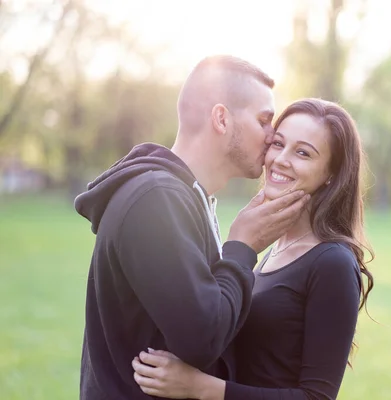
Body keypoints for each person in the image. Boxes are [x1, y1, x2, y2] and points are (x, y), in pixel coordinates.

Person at [74, 55, 311, 400]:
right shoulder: (156, 198)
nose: (272, 136)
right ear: (221, 118)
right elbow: (202, 338)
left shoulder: (184, 197)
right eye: (263, 120)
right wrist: (243, 246)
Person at [131, 98, 375, 400]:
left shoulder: (332, 262)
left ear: (331, 174)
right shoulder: (272, 247)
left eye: (302, 152)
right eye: (278, 144)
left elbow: (317, 396)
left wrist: (201, 387)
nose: (281, 159)